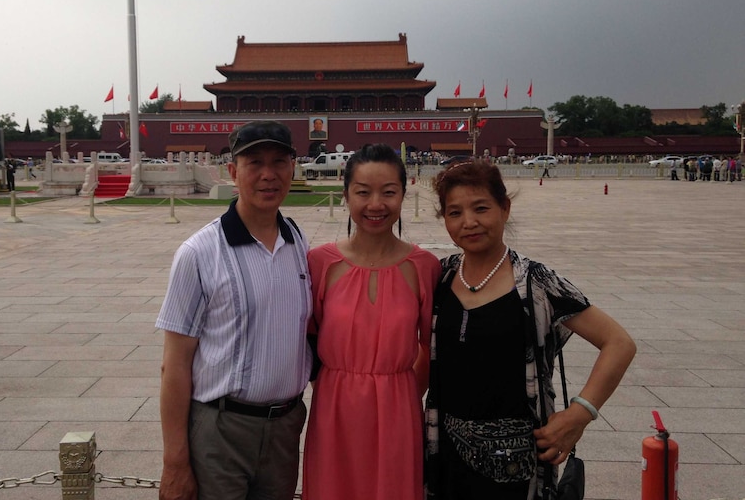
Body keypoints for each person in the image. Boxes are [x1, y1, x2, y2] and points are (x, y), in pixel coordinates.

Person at [425, 162, 636, 500]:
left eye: (481, 208)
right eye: (455, 212)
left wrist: (580, 414)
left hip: (519, 466)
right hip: (445, 458)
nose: (469, 222)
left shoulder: (536, 283)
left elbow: (618, 342)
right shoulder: (439, 277)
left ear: (504, 208)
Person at [155, 120, 312, 500]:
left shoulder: (299, 243)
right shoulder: (199, 253)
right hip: (221, 429)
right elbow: (174, 364)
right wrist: (175, 463)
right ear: (232, 171)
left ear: (293, 168)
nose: (268, 175)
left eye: (279, 162)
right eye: (254, 162)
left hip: (286, 428)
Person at [303, 144, 440, 500]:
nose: (375, 204)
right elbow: (308, 337)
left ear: (403, 194)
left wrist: (405, 394)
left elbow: (429, 344)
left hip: (398, 406)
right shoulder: (320, 263)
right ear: (346, 194)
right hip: (334, 408)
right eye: (363, 192)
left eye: (388, 192)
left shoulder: (424, 267)